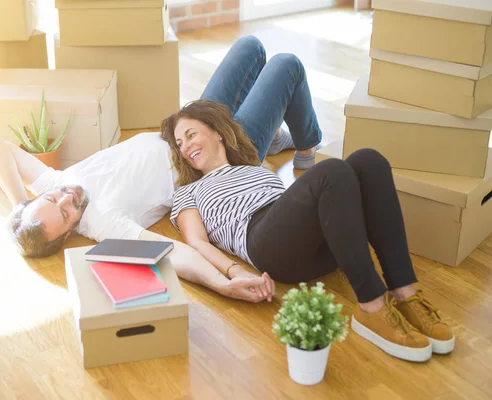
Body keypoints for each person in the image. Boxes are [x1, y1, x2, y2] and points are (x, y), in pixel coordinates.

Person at [0, 36, 320, 304]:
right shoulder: (104, 224)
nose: (66, 197)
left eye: (52, 198)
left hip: (182, 129)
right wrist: (224, 282)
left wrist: (18, 204)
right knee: (286, 65)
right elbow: (175, 253)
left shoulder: (55, 182)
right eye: (66, 211)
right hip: (214, 157)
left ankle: (272, 139)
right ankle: (305, 147)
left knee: (251, 48)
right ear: (70, 231)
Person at [160, 63, 455, 363]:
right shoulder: (188, 191)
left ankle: (406, 293)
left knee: (369, 160)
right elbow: (197, 243)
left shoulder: (253, 167)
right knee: (331, 171)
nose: (185, 148)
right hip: (264, 242)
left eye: (191, 135)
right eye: (179, 144)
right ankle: (372, 307)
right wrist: (233, 273)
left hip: (316, 238)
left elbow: (295, 196)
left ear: (217, 132)